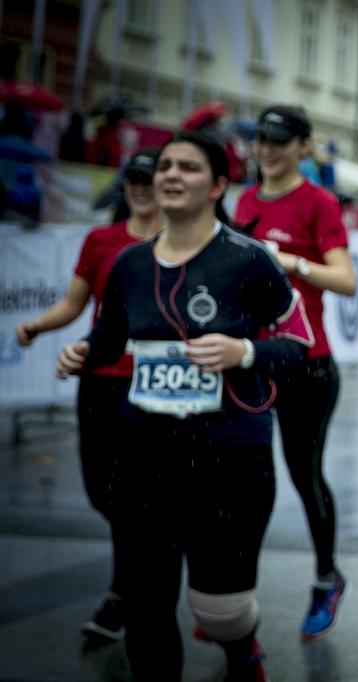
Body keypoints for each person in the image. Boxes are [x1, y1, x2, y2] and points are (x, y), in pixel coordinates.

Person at [55, 130, 313, 681]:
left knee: (219, 612)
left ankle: (241, 649)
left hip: (230, 459)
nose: (170, 176)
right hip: (144, 454)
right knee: (147, 608)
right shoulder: (128, 265)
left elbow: (300, 348)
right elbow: (108, 337)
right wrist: (82, 352)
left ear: (218, 185)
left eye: (188, 168)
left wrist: (243, 350)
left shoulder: (250, 260)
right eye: (165, 166)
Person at [14, 148, 163, 644]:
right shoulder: (101, 240)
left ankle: (123, 594)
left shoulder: (179, 242)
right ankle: (146, 563)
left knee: (132, 495)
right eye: (133, 178)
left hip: (154, 382)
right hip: (99, 377)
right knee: (102, 490)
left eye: (150, 176)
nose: (141, 186)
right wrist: (38, 324)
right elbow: (75, 304)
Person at [234, 105, 358, 640]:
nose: (267, 148)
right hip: (253, 361)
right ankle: (230, 593)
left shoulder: (318, 202)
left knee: (304, 476)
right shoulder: (242, 199)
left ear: (303, 147)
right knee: (244, 480)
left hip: (307, 365)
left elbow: (346, 280)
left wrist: (289, 262)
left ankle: (327, 579)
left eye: (279, 140)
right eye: (261, 138)